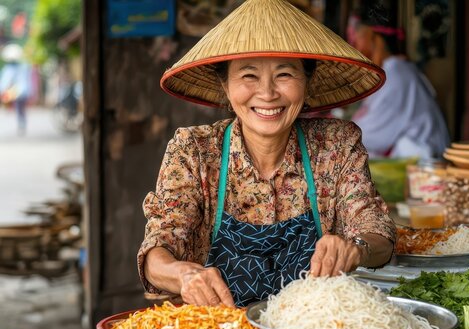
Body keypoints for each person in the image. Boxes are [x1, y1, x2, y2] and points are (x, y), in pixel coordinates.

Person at [138, 0, 396, 307]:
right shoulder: (193, 151)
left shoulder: (337, 146)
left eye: (284, 74)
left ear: (308, 83)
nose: (268, 93)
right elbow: (158, 249)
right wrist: (182, 275)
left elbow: (377, 231)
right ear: (226, 85)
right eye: (249, 75)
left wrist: (356, 248)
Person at [349, 3, 451, 161]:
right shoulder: (391, 71)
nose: (354, 45)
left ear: (372, 36)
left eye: (357, 37)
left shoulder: (396, 75)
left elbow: (369, 135)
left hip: (427, 167)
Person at [0, 44, 33, 135]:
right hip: (23, 91)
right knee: (21, 108)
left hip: (17, 91)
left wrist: (3, 90)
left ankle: (21, 123)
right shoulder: (25, 66)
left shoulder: (10, 68)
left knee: (19, 108)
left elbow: (5, 81)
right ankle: (22, 123)